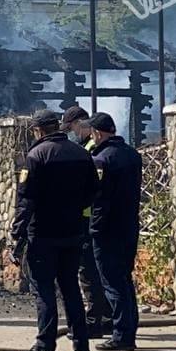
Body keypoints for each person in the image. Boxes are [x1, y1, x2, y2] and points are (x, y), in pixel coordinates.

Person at [8, 108, 98, 351]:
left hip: (43, 235)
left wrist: (17, 234)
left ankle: (44, 348)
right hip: (72, 233)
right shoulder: (81, 154)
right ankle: (82, 348)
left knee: (44, 292)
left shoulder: (36, 156)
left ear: (38, 130)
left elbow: (27, 201)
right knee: (71, 289)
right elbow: (93, 191)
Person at [87, 112, 143, 351]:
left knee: (112, 283)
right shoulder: (132, 155)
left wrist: (94, 228)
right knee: (125, 279)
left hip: (107, 229)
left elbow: (98, 199)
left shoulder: (101, 159)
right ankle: (129, 329)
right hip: (129, 225)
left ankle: (122, 335)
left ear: (97, 133)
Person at [60, 105, 111, 338]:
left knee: (88, 273)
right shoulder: (91, 148)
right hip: (96, 218)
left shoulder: (90, 150)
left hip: (87, 219)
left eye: (71, 128)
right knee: (98, 271)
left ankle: (93, 321)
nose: (71, 133)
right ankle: (107, 318)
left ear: (81, 124)